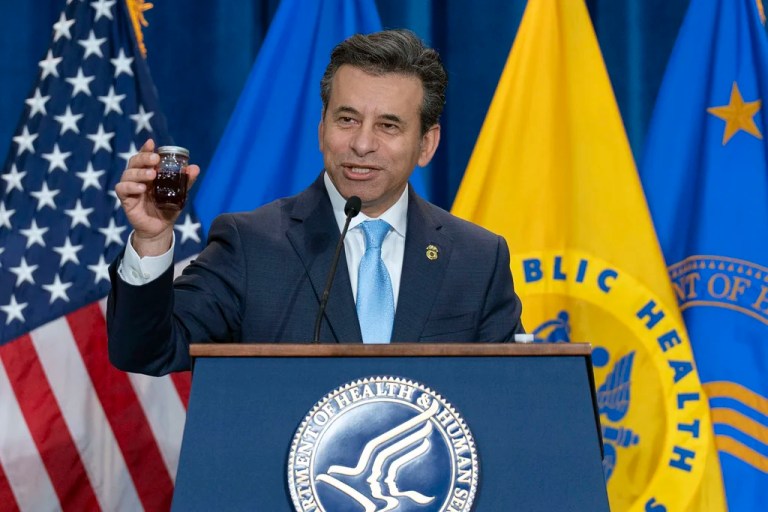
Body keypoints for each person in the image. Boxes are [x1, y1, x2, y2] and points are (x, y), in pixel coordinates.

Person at [108, 29, 524, 376]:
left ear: (426, 144)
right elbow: (147, 351)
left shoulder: (476, 259)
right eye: (347, 119)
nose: (362, 143)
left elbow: (509, 400)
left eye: (388, 125)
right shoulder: (251, 244)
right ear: (322, 127)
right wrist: (152, 240)